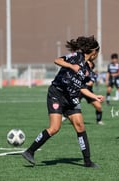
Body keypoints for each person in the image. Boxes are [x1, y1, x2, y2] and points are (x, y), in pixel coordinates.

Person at [22, 36, 104, 168]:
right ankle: (29, 151)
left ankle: (88, 161)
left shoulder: (87, 70)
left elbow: (82, 87)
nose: (97, 56)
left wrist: (94, 96)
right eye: (97, 53)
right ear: (94, 51)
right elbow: (57, 60)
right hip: (57, 93)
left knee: (80, 127)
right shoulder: (76, 56)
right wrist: (72, 66)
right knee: (55, 128)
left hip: (71, 98)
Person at [79, 60, 104, 125]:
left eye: (89, 64)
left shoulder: (93, 74)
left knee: (99, 107)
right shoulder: (80, 72)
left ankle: (99, 120)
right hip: (79, 91)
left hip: (88, 92)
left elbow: (90, 84)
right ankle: (65, 116)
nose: (88, 64)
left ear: (92, 65)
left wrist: (81, 84)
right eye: (87, 63)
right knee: (72, 105)